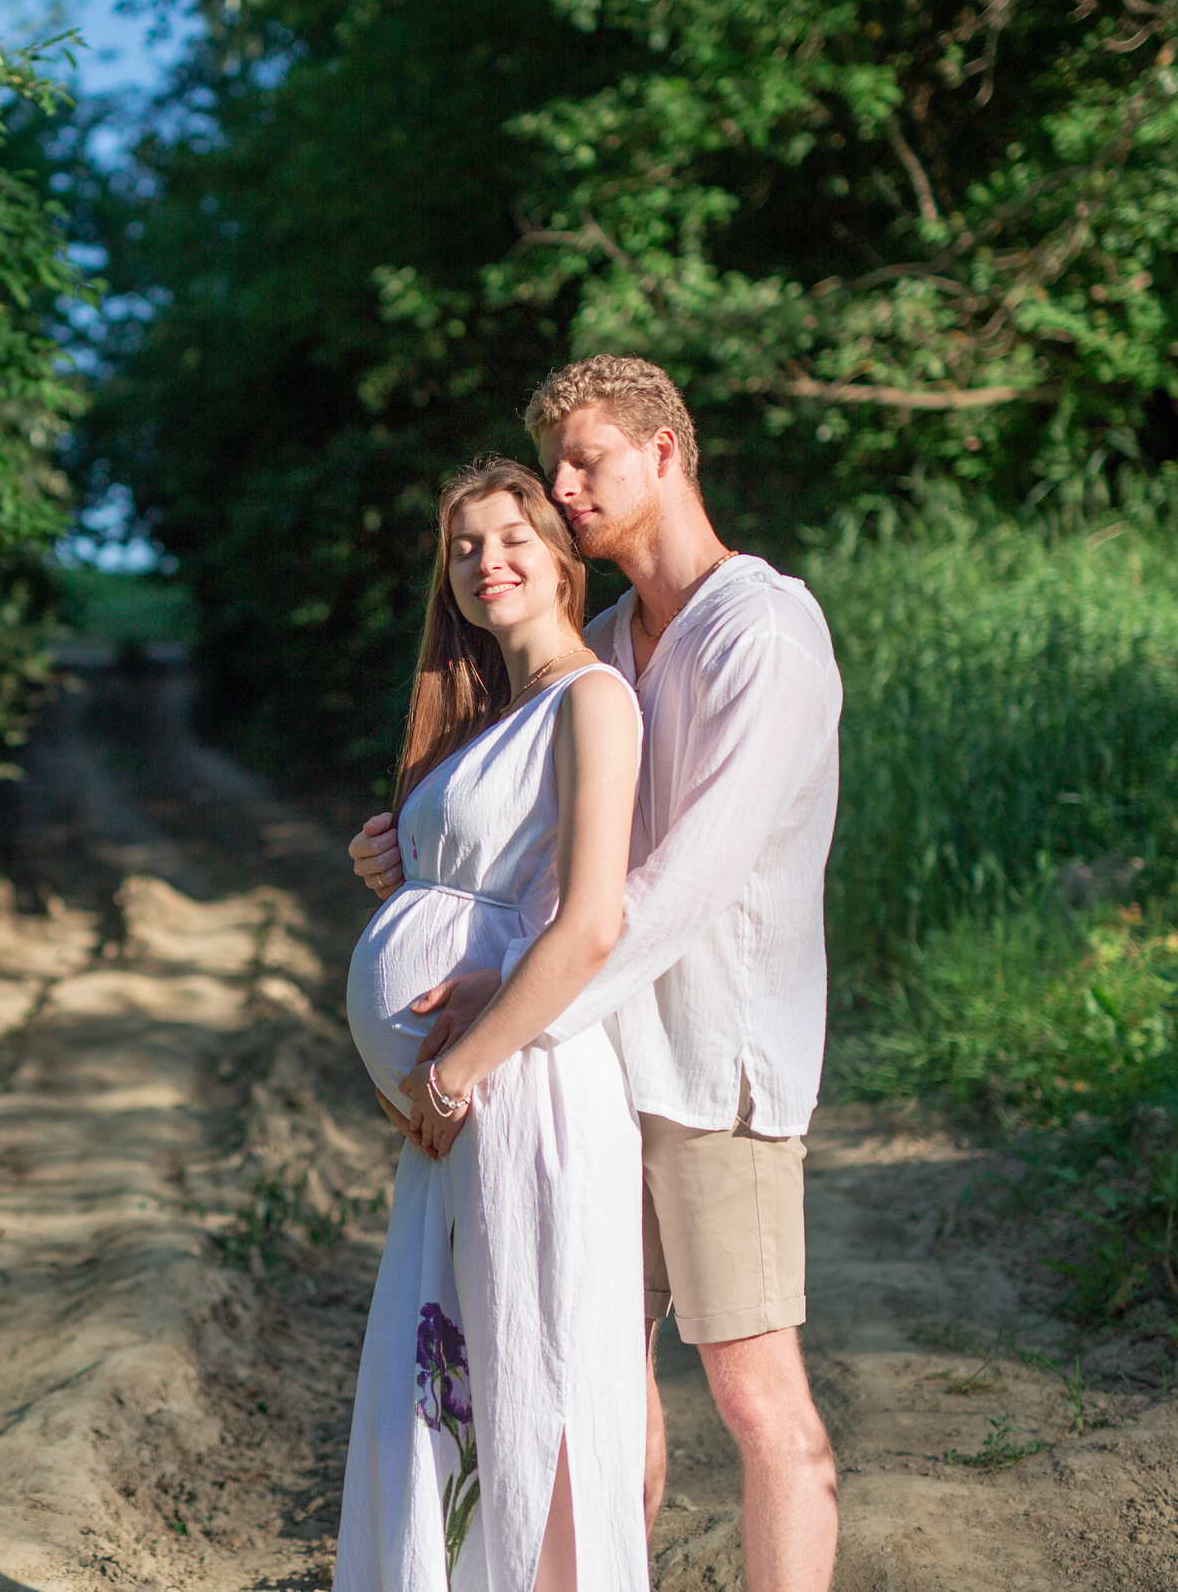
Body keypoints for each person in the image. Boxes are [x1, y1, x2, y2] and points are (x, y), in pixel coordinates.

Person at [350, 357, 845, 1592]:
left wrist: (508, 1015)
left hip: (711, 1068)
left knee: (756, 1398)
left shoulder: (763, 630)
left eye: (587, 462)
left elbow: (678, 886)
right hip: (594, 1069)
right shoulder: (614, 639)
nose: (565, 489)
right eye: (555, 467)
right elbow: (539, 848)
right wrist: (413, 863)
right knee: (592, 1394)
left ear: (666, 451)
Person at [337, 457, 650, 1592]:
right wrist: (398, 870)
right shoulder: (493, 719)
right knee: (454, 1388)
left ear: (562, 558)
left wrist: (453, 1072)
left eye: (510, 537)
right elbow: (480, 896)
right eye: (461, 548)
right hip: (462, 1109)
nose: (485, 562)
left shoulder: (592, 700)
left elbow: (590, 925)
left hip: (519, 1089)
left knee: (533, 1386)